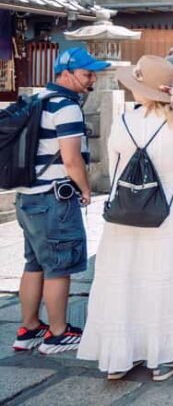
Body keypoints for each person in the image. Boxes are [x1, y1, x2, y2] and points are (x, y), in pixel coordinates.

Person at [78, 55, 173, 381]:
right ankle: (165, 357)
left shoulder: (124, 122)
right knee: (167, 279)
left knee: (126, 279)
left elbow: (113, 165)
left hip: (126, 213)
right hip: (169, 211)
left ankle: (120, 357)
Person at [12, 47, 108, 354]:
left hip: (28, 198)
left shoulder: (39, 100)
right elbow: (70, 159)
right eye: (86, 74)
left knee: (35, 263)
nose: (91, 79)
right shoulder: (66, 107)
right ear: (65, 73)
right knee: (59, 267)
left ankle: (29, 329)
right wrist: (85, 189)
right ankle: (57, 333)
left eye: (92, 73)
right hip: (54, 198)